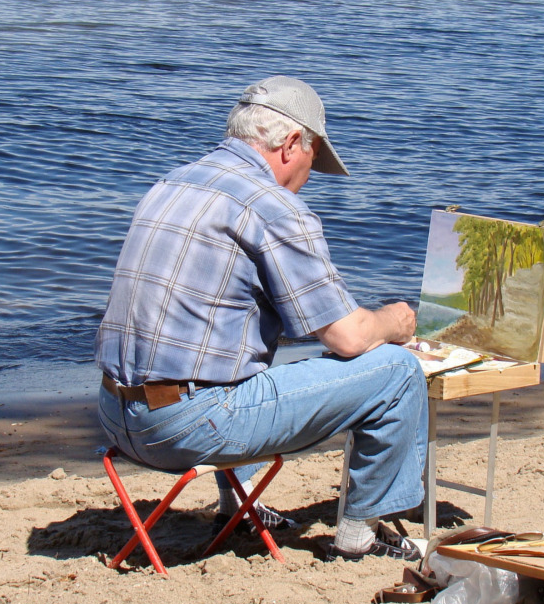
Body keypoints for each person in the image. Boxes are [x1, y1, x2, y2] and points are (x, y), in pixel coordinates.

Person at [95, 75, 428, 561]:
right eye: (314, 159)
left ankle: (239, 504)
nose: (310, 178)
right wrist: (393, 322)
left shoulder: (173, 181)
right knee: (397, 374)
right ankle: (361, 535)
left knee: (237, 351)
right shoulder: (272, 205)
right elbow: (349, 338)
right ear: (293, 143)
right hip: (182, 431)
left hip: (114, 417)